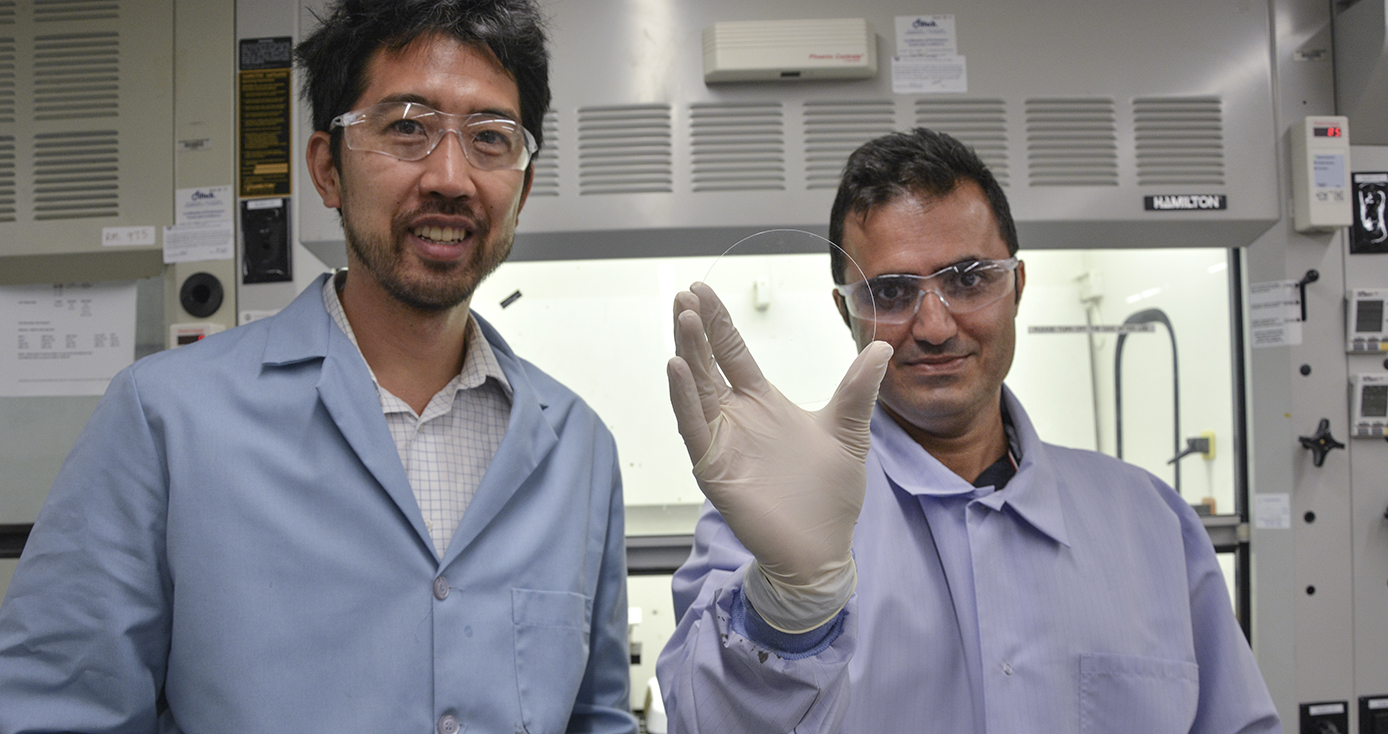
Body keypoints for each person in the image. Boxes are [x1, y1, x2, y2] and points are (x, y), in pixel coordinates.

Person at [0, 1, 637, 732]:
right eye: (407, 127)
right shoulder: (166, 421)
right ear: (327, 171)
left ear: (521, 190)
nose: (452, 177)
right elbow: (55, 713)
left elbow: (598, 718)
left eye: (491, 139)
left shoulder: (580, 450)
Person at [656, 128, 1280, 733]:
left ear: (1017, 286)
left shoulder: (1152, 522)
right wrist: (786, 615)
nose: (934, 325)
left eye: (968, 279)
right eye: (892, 291)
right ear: (846, 310)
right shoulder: (780, 523)